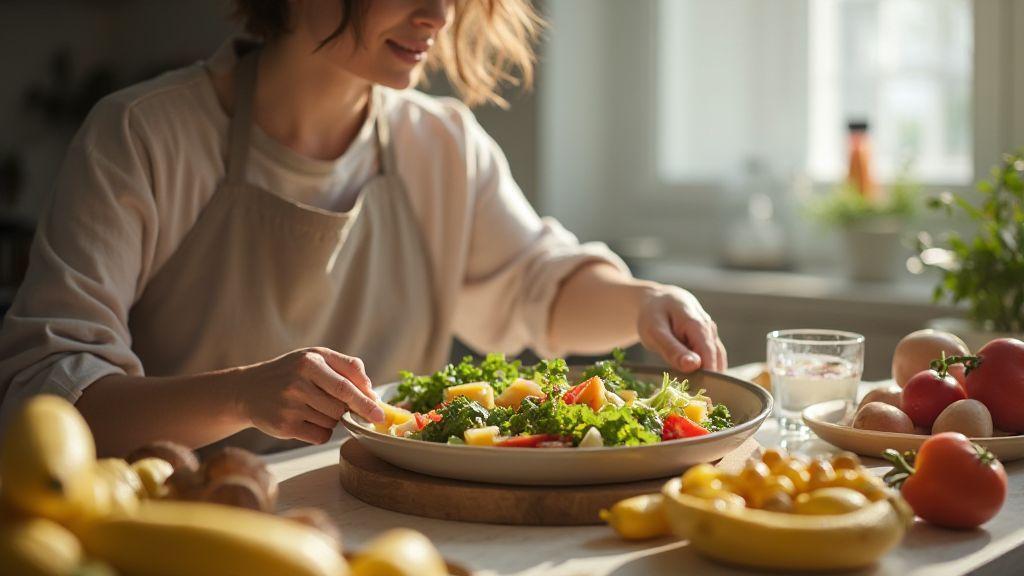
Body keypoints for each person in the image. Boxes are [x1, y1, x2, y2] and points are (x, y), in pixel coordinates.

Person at [0, 0, 726, 456]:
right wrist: (241, 396)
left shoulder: (442, 144)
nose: (439, 14)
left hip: (376, 525)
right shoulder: (142, 135)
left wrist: (642, 303)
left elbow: (538, 285)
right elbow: (45, 398)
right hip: (183, 529)